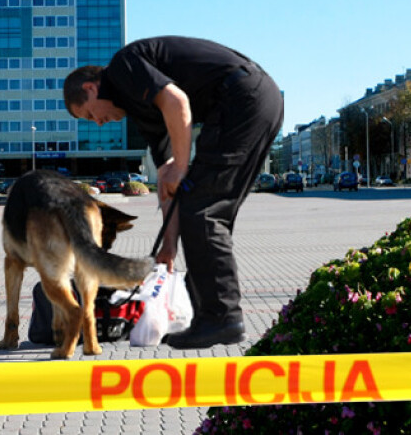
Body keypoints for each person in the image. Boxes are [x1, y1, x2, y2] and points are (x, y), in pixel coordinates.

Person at [63, 36, 284, 349]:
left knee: (203, 210)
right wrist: (167, 247)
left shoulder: (123, 68)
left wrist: (182, 167)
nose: (97, 123)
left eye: (89, 114)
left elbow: (178, 102)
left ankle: (221, 318)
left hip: (242, 97)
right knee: (208, 210)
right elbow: (169, 183)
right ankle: (208, 314)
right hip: (257, 100)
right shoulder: (143, 111)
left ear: (90, 88)